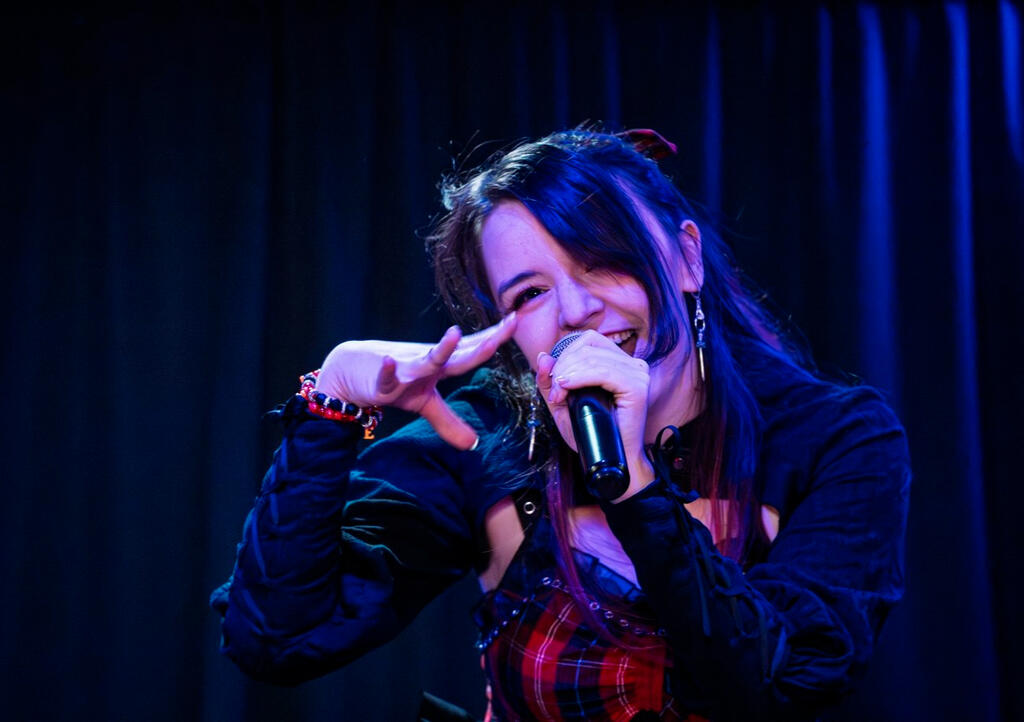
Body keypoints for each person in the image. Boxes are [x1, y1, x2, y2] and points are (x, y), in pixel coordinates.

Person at [210, 128, 910, 721]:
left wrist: (632, 485)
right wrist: (331, 404)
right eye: (532, 292)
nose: (576, 311)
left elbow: (783, 683)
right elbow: (276, 638)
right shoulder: (487, 435)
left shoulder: (832, 437)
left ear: (687, 258)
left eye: (602, 262)